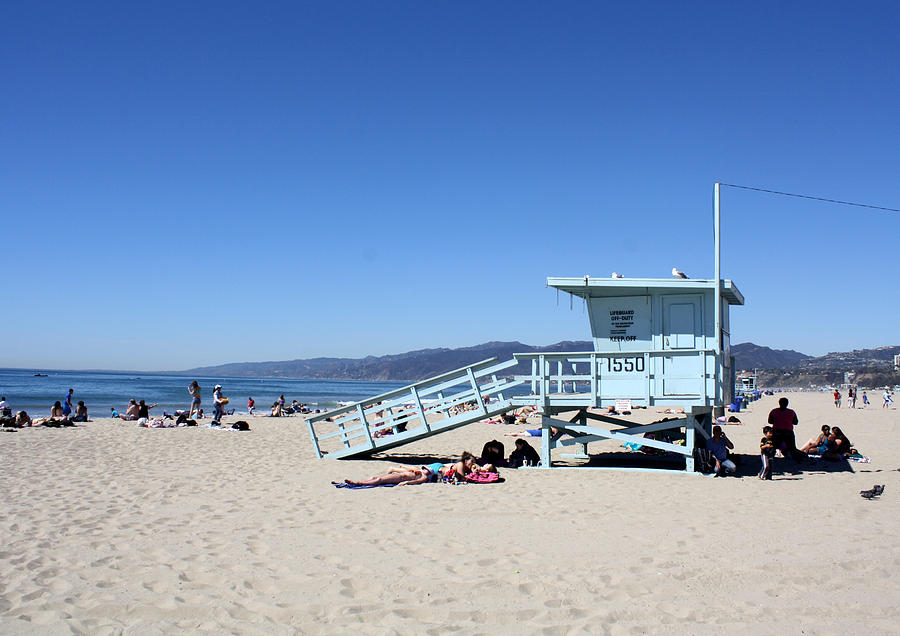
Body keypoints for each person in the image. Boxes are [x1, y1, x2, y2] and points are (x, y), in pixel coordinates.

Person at [767, 397, 806, 461]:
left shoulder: (774, 411)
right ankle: (795, 456)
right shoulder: (791, 412)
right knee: (792, 448)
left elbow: (770, 421)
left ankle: (772, 457)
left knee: (774, 446)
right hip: (788, 432)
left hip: (776, 432)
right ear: (787, 404)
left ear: (779, 403)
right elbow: (795, 422)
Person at [343, 463, 444, 487]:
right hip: (399, 475)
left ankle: (358, 483)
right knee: (375, 478)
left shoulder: (424, 477)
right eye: (425, 468)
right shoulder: (419, 471)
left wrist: (406, 482)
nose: (424, 470)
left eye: (427, 470)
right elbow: (407, 468)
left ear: (430, 473)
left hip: (399, 478)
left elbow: (416, 481)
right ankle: (363, 481)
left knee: (378, 480)